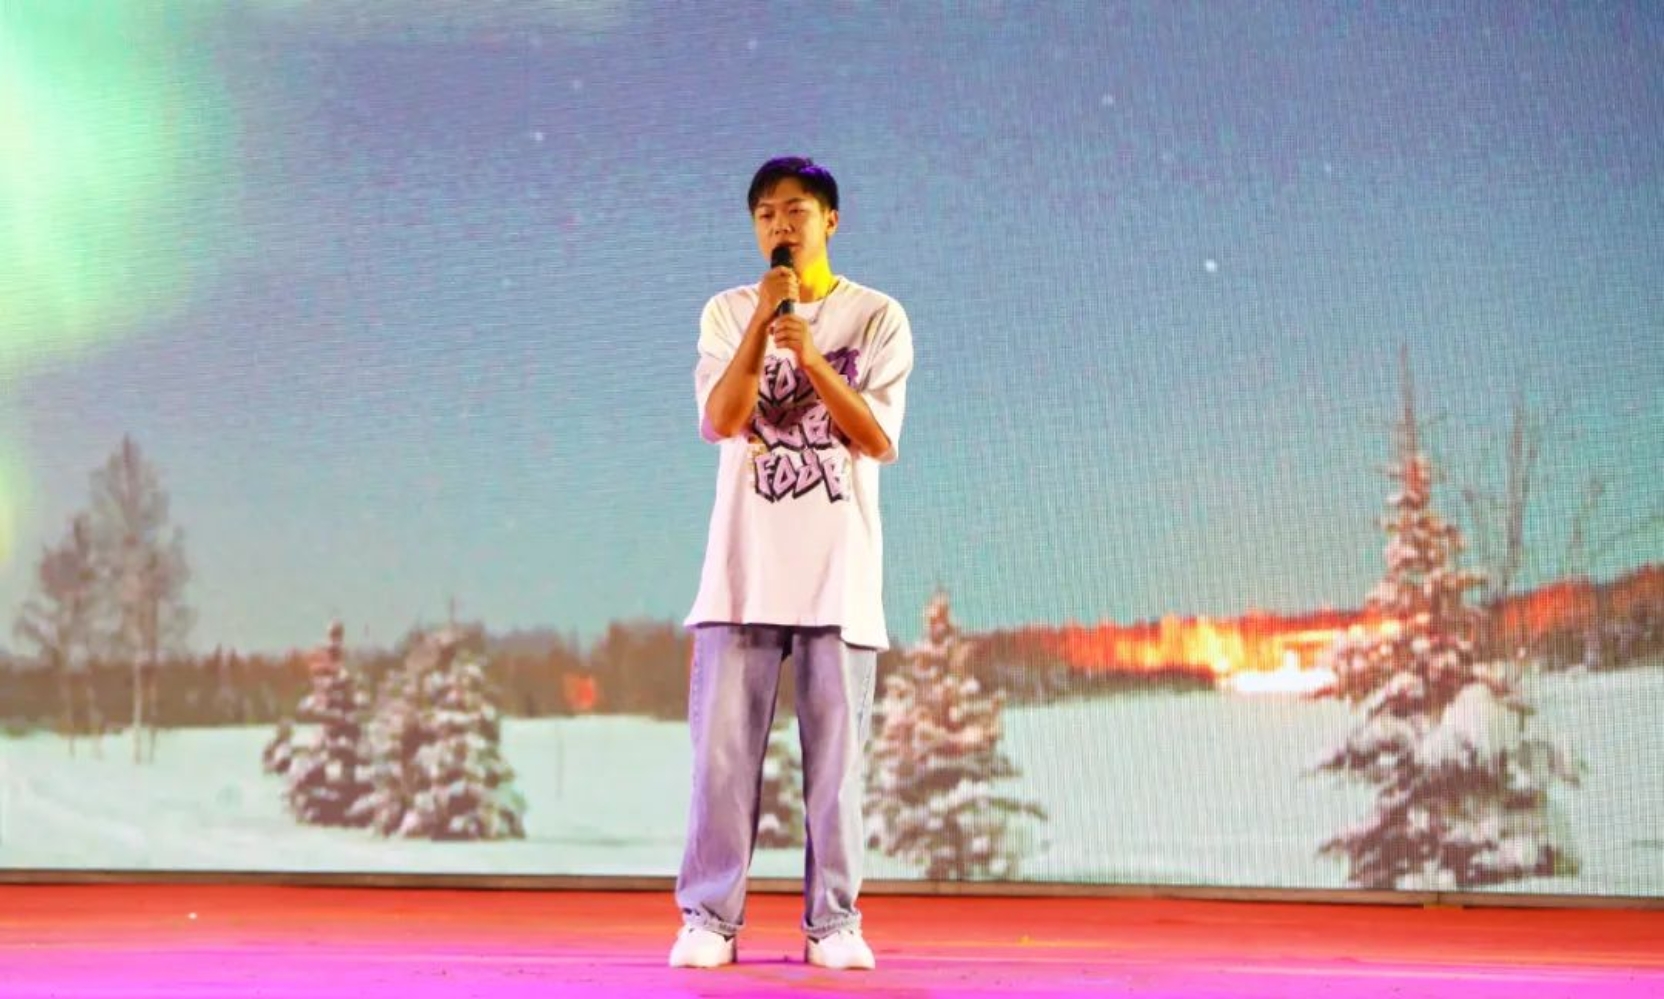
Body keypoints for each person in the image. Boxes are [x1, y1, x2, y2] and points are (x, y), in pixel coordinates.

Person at [671, 156, 914, 971]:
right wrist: (760, 327)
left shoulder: (877, 317)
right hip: (741, 578)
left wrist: (811, 358)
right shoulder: (726, 312)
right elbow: (722, 418)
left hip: (837, 579)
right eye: (767, 213)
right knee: (722, 763)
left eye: (797, 211)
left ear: (830, 221)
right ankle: (710, 918)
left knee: (836, 769)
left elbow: (876, 437)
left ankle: (833, 922)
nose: (781, 225)